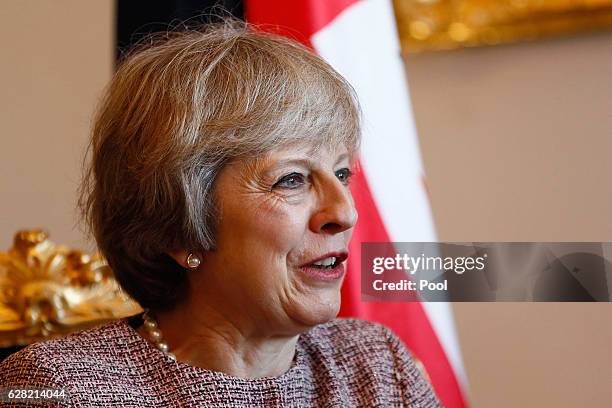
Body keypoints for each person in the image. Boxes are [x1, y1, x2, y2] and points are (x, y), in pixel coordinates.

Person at [0, 20, 441, 407]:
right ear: (177, 226)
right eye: (291, 179)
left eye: (341, 172)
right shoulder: (59, 388)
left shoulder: (376, 366)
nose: (344, 213)